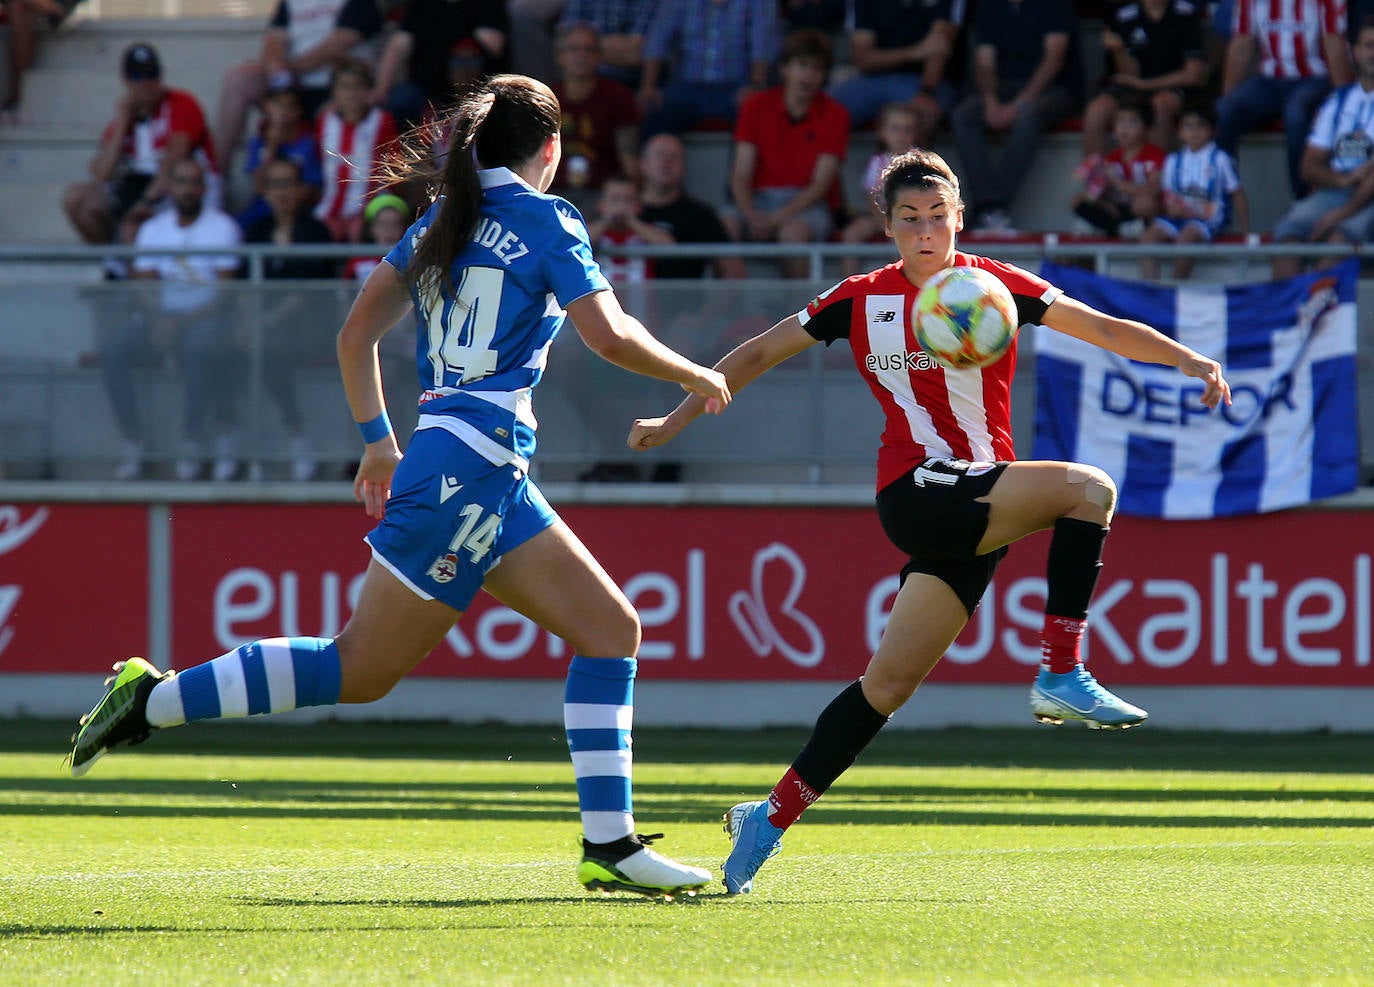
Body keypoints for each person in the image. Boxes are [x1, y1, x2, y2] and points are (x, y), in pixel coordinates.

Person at [69, 74, 730, 901]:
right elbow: (610, 333)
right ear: (551, 149)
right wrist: (694, 373)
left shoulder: (442, 219)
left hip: (473, 464)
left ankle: (611, 844)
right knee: (360, 668)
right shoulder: (547, 217)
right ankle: (152, 698)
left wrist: (379, 443)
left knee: (610, 629)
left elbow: (356, 336)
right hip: (470, 469)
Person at [626, 147, 1232, 895]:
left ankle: (767, 818)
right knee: (1089, 489)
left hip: (973, 499)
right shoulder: (859, 300)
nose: (925, 231)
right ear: (886, 226)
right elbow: (755, 355)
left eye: (938, 216)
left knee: (885, 687)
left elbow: (1103, 329)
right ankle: (1060, 670)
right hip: (918, 488)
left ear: (959, 219)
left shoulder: (994, 286)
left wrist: (1188, 360)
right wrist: (675, 419)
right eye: (909, 218)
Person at [112, 157, 243, 482]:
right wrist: (159, 320)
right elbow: (145, 286)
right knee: (114, 351)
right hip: (159, 319)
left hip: (206, 319)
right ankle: (133, 440)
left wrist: (181, 323)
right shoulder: (153, 229)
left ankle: (191, 441)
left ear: (204, 188)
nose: (189, 189)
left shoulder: (223, 227)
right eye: (182, 182)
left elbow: (224, 291)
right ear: (170, 187)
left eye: (195, 182)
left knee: (198, 349)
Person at [62, 43, 220, 256]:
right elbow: (100, 174)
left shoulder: (182, 103)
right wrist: (122, 121)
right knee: (76, 198)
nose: (145, 84)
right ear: (125, 79)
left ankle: (131, 254)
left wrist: (145, 202)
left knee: (140, 221)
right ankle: (116, 258)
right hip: (137, 189)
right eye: (137, 76)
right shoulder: (124, 118)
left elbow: (176, 158)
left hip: (177, 190)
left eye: (151, 75)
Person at [722, 28, 850, 279]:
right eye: (802, 65)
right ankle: (728, 301)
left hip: (808, 207)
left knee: (793, 234)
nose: (808, 75)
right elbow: (740, 174)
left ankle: (801, 305)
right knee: (726, 225)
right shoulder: (755, 106)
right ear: (784, 69)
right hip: (757, 200)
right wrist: (750, 214)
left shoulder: (836, 115)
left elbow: (820, 186)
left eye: (817, 69)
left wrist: (776, 218)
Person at [949, 0, 1083, 234]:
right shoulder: (989, 6)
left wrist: (1020, 103)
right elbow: (985, 62)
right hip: (1004, 88)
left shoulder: (1056, 5)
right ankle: (988, 207)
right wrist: (990, 100)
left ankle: (991, 208)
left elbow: (1053, 59)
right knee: (964, 115)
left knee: (1028, 117)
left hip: (1055, 89)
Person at [244, 156, 338, 482]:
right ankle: (231, 440)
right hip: (262, 325)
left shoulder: (316, 231)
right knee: (215, 348)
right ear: (265, 191)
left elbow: (307, 291)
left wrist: (265, 321)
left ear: (300, 189)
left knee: (271, 349)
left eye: (288, 184)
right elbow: (242, 286)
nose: (281, 192)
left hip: (308, 327)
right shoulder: (256, 231)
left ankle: (298, 437)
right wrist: (247, 321)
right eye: (275, 184)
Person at [213, 0, 383, 171]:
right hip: (293, 84)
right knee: (239, 78)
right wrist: (276, 68)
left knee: (337, 107)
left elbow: (340, 43)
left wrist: (292, 66)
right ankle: (217, 173)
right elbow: (274, 39)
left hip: (337, 88)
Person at [1216, 0, 1352, 200]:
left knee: (1296, 112)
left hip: (1315, 77)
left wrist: (1345, 101)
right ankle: (1221, 196)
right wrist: (1228, 97)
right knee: (1224, 111)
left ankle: (1303, 198)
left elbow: (1334, 43)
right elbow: (1242, 44)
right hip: (1269, 80)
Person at [1271, 18, 1374, 280]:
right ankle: (1289, 305)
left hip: (1369, 200)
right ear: (1355, 51)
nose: (1373, 53)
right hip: (1336, 190)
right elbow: (1309, 166)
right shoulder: (1338, 100)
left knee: (1341, 237)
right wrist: (1344, 180)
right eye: (1368, 45)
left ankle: (1317, 304)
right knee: (1289, 232)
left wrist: (1341, 213)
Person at [1080, 0, 1209, 156]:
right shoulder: (1125, 15)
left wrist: (1145, 85)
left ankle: (1157, 170)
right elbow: (1130, 75)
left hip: (1174, 87)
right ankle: (1095, 171)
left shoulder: (1185, 13)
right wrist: (1119, 50)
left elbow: (1192, 75)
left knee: (1159, 105)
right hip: (1134, 86)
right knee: (1097, 109)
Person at [638, 0, 780, 139]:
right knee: (655, 116)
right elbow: (657, 40)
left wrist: (755, 86)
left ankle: (743, 156)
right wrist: (648, 86)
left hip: (737, 86)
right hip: (687, 86)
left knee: (759, 116)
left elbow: (762, 46)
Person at [1141, 101, 1248, 280]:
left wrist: (1246, 233)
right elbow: (1168, 195)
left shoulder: (1220, 158)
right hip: (1178, 217)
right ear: (1180, 131)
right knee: (1148, 238)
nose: (1194, 131)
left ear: (1213, 131)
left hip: (1209, 218)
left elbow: (1237, 194)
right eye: (1188, 126)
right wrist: (1172, 209)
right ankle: (1151, 288)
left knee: (1186, 238)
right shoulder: (1172, 160)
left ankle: (1177, 286)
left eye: (1201, 126)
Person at [827, 0, 960, 141]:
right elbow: (862, 59)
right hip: (871, 79)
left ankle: (913, 157)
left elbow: (939, 47)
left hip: (920, 81)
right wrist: (914, 52)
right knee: (823, 110)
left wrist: (926, 92)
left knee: (923, 112)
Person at [549, 21, 641, 210]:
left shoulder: (618, 96)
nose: (581, 56)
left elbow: (629, 161)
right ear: (560, 57)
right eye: (573, 49)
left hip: (603, 197)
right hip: (552, 193)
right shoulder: (547, 98)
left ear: (599, 57)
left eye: (588, 49)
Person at [371, 0, 509, 126]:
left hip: (476, 86)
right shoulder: (424, 5)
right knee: (401, 100)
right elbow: (398, 44)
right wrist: (381, 88)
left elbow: (494, 45)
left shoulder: (486, 4)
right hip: (426, 86)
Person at [638, 132, 747, 280]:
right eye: (660, 155)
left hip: (683, 295)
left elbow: (733, 270)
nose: (667, 161)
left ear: (684, 167)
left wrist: (717, 298)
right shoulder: (625, 212)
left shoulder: (700, 215)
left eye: (674, 157)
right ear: (643, 164)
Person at [315, 58, 399, 244]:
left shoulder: (382, 121)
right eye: (345, 86)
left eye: (357, 86)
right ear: (334, 91)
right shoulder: (324, 121)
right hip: (330, 210)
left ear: (368, 90)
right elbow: (319, 162)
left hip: (371, 209)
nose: (351, 94)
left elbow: (392, 168)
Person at [839, 101, 920, 273]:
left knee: (900, 237)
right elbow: (872, 196)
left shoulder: (920, 161)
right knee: (851, 234)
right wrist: (883, 220)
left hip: (910, 218)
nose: (901, 135)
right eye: (895, 129)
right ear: (883, 132)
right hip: (880, 217)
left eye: (907, 129)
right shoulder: (878, 162)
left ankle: (905, 278)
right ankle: (848, 281)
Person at [1070, 97, 1165, 238]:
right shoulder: (1111, 158)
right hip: (1118, 208)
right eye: (1120, 121)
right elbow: (1101, 192)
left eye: (1132, 122)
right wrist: (1099, 189)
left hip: (1137, 208)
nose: (1125, 127)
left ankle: (1109, 228)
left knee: (1145, 204)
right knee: (1078, 200)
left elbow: (1153, 190)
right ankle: (1119, 229)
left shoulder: (1154, 155)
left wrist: (1119, 183)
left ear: (1146, 127)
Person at [236, 83, 324, 231]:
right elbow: (259, 187)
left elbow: (311, 191)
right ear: (266, 107)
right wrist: (270, 148)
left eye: (290, 106)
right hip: (263, 207)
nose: (283, 111)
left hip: (297, 209)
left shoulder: (309, 144)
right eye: (277, 104)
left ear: (299, 111)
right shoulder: (257, 143)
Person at [558, 0, 660, 89]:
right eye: (591, 48)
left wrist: (590, 44)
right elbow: (564, 39)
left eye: (590, 48)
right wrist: (625, 46)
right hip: (585, 83)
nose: (582, 54)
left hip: (636, 82)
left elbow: (640, 51)